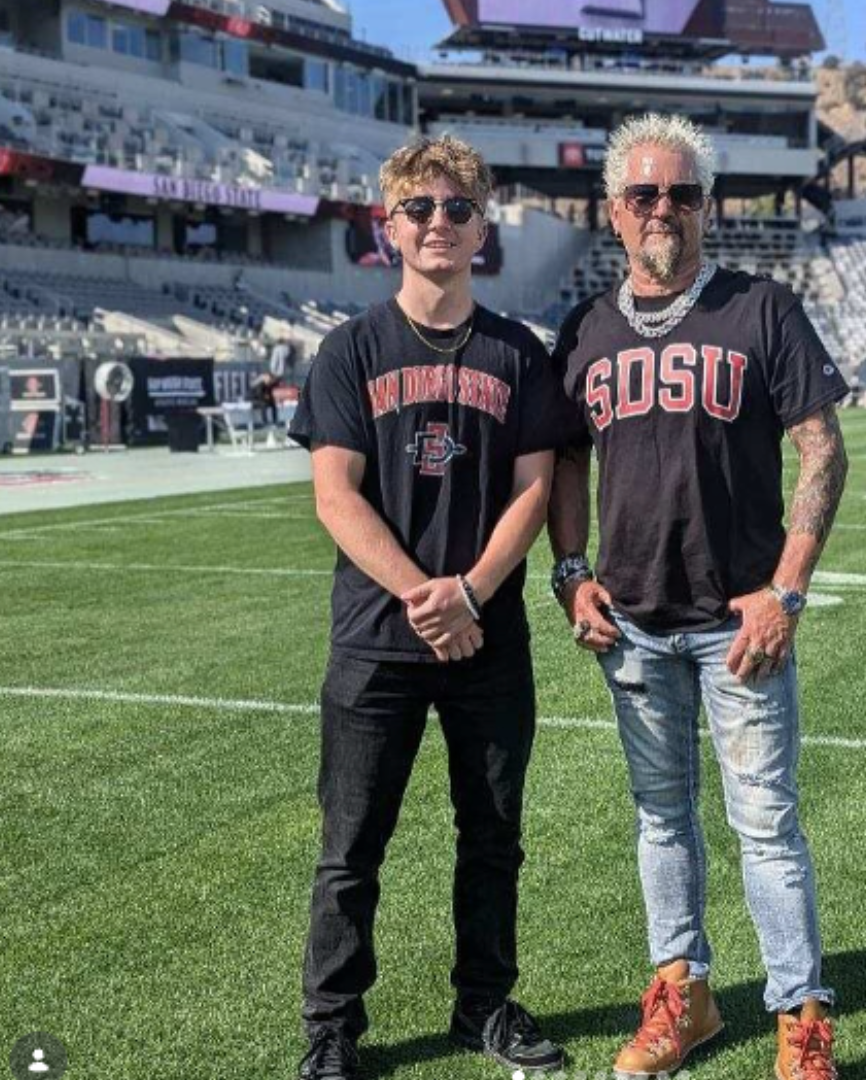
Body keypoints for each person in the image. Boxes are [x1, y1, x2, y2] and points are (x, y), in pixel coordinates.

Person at [546, 113, 850, 1080]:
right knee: (661, 819)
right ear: (614, 212)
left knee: (766, 824)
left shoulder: (762, 307)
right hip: (631, 624)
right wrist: (569, 573)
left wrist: (787, 593)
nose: (662, 208)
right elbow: (561, 462)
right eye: (645, 194)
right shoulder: (585, 329)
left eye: (681, 192)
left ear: (707, 207)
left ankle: (801, 1018)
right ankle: (686, 994)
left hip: (739, 625)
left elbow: (822, 448)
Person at [287, 134, 572, 1080]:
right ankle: (332, 1027)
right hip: (378, 640)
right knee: (351, 846)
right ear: (389, 228)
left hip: (488, 637)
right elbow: (336, 495)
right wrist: (423, 594)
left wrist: (472, 593)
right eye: (420, 209)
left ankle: (483, 1005)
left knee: (492, 836)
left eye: (457, 209)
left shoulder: (519, 354)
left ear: (482, 228)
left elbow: (536, 490)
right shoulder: (349, 349)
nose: (439, 224)